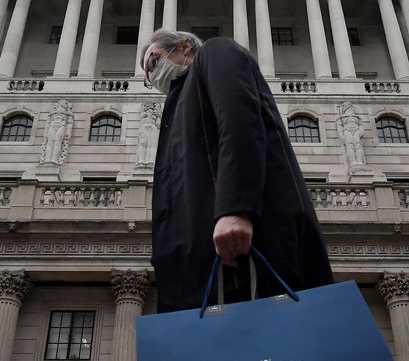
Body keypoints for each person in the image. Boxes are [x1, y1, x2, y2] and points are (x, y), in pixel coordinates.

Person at [141, 29, 333, 312]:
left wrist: (235, 209)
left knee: (275, 342)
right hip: (203, 263)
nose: (152, 74)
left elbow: (239, 124)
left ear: (183, 47)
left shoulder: (216, 52)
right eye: (147, 75)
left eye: (154, 61)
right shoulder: (179, 101)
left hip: (242, 246)